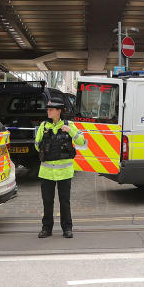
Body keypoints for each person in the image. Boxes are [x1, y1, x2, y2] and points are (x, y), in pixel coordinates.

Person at [35, 95, 86, 238]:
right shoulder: (43, 126)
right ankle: (46, 229)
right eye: (48, 109)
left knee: (64, 202)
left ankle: (67, 229)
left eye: (51, 109)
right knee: (47, 202)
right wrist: (44, 147)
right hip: (46, 172)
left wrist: (70, 131)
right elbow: (36, 144)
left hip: (65, 172)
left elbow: (82, 142)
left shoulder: (69, 125)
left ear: (59, 111)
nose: (48, 112)